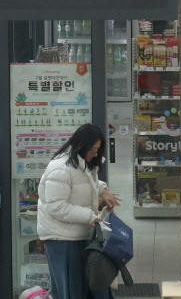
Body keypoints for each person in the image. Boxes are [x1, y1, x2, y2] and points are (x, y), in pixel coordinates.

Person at [37, 124, 120, 299]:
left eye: (98, 150)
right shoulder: (60, 168)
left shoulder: (84, 163)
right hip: (61, 239)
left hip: (79, 235)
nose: (95, 154)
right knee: (70, 289)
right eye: (92, 149)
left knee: (87, 287)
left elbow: (85, 184)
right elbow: (57, 207)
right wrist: (91, 217)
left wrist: (102, 190)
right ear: (81, 145)